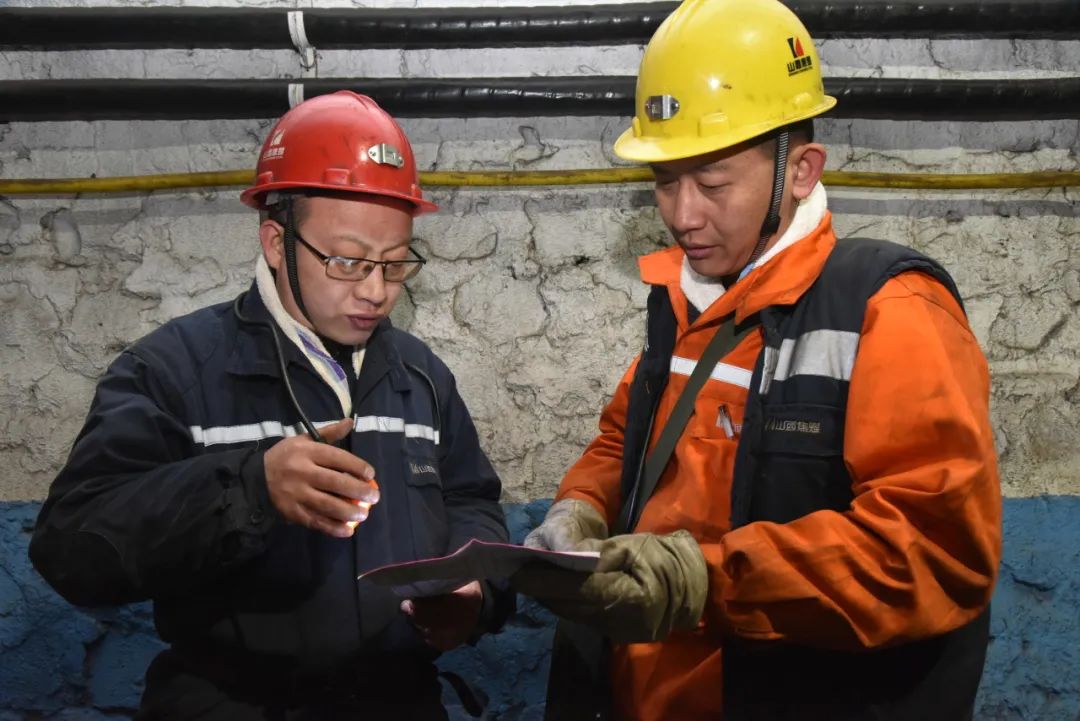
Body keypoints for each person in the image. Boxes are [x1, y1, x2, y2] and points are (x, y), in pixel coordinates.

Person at [513, 1, 1002, 720]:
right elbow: (625, 441)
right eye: (664, 180)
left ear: (800, 170)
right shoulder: (684, 307)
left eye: (712, 184)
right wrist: (579, 508)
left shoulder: (888, 310)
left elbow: (932, 549)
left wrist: (704, 582)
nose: (682, 215)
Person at [29, 90, 514, 721]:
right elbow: (71, 551)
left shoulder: (420, 377)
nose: (376, 292)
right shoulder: (174, 370)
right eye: (347, 261)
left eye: (396, 265)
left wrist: (476, 594)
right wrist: (248, 488)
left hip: (400, 703)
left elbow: (471, 501)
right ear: (277, 241)